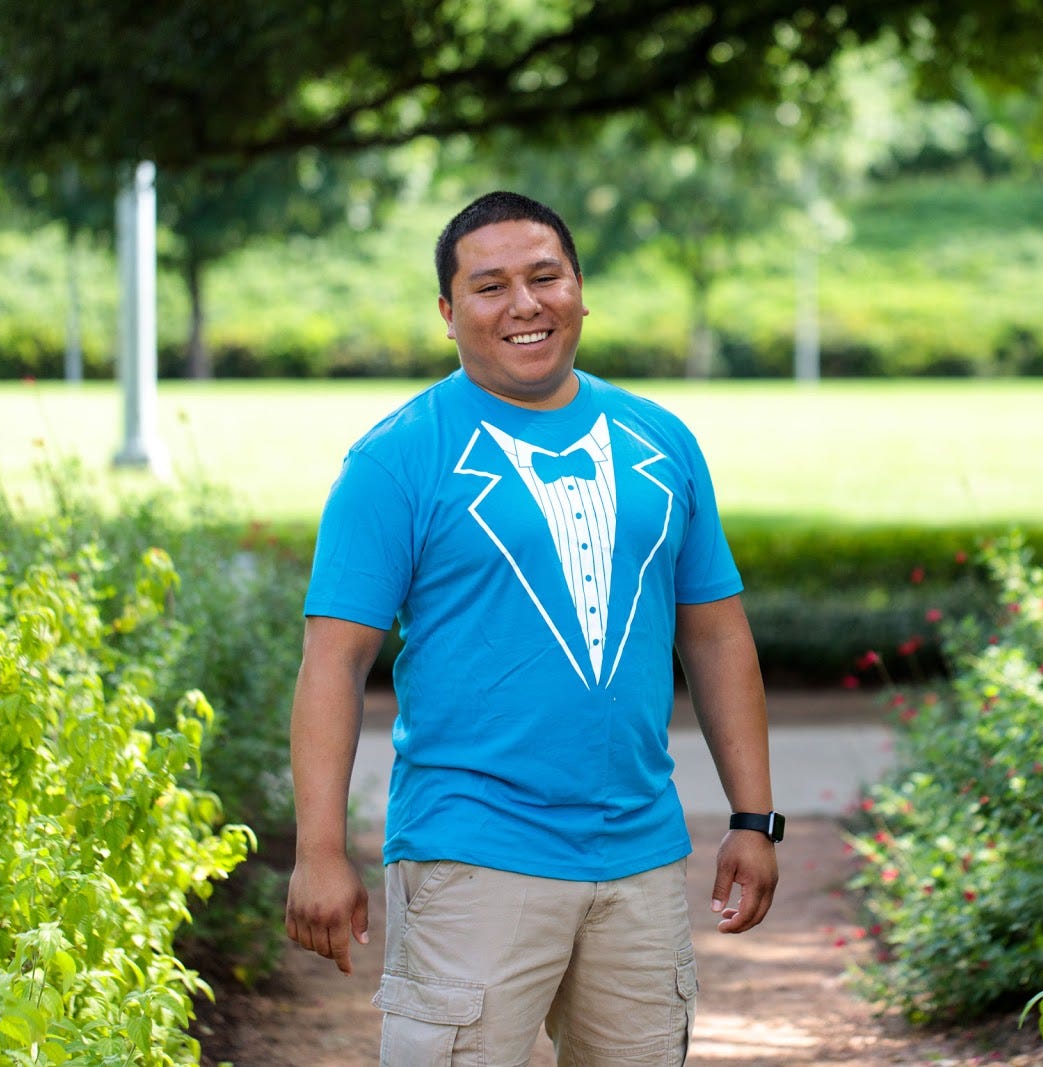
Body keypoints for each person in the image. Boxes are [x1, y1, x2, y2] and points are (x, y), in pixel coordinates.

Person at [284, 190, 782, 1066]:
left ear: (580, 290)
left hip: (640, 857)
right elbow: (334, 659)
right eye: (489, 287)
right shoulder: (396, 457)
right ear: (448, 313)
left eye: (545, 277)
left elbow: (715, 635)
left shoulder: (662, 441)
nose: (524, 304)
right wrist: (319, 850)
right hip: (470, 857)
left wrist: (754, 817)